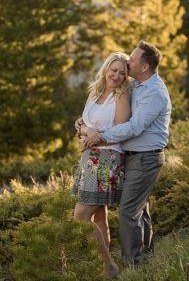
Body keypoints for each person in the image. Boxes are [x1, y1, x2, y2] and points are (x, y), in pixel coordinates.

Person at [79, 41, 172, 267]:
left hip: (146, 156)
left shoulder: (155, 93)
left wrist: (97, 136)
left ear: (145, 66)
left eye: (132, 60)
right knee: (140, 210)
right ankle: (145, 258)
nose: (128, 63)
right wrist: (83, 127)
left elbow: (133, 127)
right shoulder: (138, 85)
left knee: (129, 211)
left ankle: (133, 264)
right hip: (132, 155)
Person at [73, 52, 131, 278]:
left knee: (80, 217)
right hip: (89, 158)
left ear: (126, 76)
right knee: (99, 217)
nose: (116, 75)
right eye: (113, 70)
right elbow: (89, 122)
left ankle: (109, 267)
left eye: (121, 72)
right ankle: (102, 268)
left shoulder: (121, 95)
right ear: (106, 69)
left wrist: (90, 132)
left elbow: (121, 131)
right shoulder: (95, 91)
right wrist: (81, 125)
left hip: (107, 159)